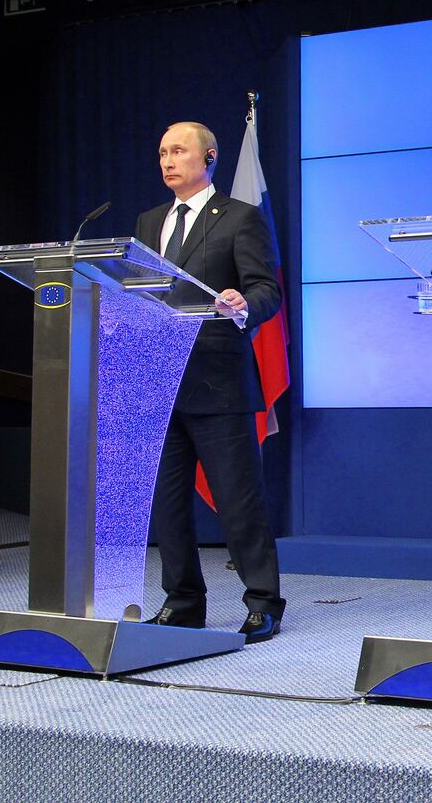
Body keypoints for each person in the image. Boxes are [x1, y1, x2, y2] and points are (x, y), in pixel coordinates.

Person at [136, 121, 285, 642]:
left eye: (179, 150)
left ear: (210, 157)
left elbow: (266, 289)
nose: (168, 160)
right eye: (162, 152)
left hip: (218, 381)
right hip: (161, 381)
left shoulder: (239, 217)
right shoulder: (148, 221)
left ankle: (263, 602)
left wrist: (244, 304)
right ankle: (182, 602)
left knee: (239, 501)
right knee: (168, 503)